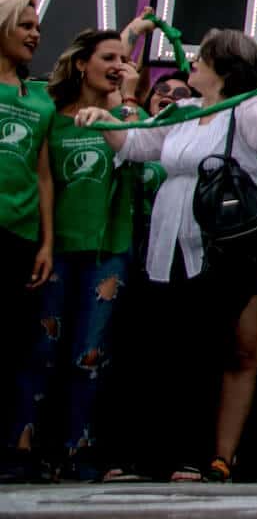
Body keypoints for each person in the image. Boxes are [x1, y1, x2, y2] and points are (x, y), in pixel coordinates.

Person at [87, 29, 257, 481]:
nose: (192, 67)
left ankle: (192, 455)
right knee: (157, 349)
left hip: (219, 248)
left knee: (199, 350)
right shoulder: (183, 111)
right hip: (167, 242)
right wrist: (104, 113)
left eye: (201, 60)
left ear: (222, 68)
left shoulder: (246, 108)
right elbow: (135, 144)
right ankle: (146, 456)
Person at [12, 28, 135, 481]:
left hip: (108, 253)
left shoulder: (126, 117)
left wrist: (127, 111)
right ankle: (24, 449)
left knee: (89, 356)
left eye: (123, 58)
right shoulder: (51, 116)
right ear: (83, 63)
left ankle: (76, 453)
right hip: (58, 250)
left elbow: (147, 166)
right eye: (108, 57)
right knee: (41, 353)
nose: (118, 64)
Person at [0, 0, 54, 483]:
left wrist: (46, 242)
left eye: (38, 26)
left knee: (12, 345)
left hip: (19, 234)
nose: (35, 34)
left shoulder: (38, 97)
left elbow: (42, 175)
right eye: (26, 25)